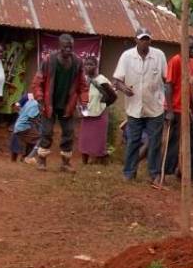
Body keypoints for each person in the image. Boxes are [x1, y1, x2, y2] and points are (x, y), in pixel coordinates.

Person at [114, 28, 168, 185]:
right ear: (136, 40)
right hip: (134, 108)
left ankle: (155, 174)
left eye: (147, 39)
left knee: (155, 142)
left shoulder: (159, 56)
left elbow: (166, 79)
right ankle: (129, 172)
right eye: (142, 39)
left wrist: (168, 106)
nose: (145, 41)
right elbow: (117, 80)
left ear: (150, 40)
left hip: (155, 107)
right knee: (133, 140)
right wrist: (124, 89)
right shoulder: (127, 56)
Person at [31, 34, 89, 172]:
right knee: (47, 132)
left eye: (70, 47)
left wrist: (84, 101)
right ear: (59, 47)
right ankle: (42, 161)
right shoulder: (48, 61)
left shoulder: (77, 63)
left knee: (68, 132)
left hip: (67, 105)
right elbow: (37, 82)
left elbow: (82, 84)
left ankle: (65, 163)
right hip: (48, 103)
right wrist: (39, 98)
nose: (68, 50)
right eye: (65, 47)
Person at [164, 35, 193, 180]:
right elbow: (168, 86)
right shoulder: (176, 60)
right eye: (191, 47)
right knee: (173, 143)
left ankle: (186, 173)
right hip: (175, 109)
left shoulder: (192, 63)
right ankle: (164, 174)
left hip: (185, 110)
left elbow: (189, 89)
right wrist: (170, 111)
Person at [79, 55, 116, 165]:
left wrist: (104, 105)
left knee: (99, 140)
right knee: (84, 139)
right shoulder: (83, 80)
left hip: (100, 114)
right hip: (87, 114)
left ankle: (102, 160)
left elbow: (113, 95)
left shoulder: (102, 80)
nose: (87, 67)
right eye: (85, 65)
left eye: (90, 65)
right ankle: (84, 162)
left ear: (96, 66)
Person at [9, 94, 41, 162]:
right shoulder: (29, 96)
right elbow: (16, 106)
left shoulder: (40, 98)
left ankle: (24, 157)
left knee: (33, 138)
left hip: (29, 123)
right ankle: (18, 158)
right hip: (25, 123)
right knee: (18, 138)